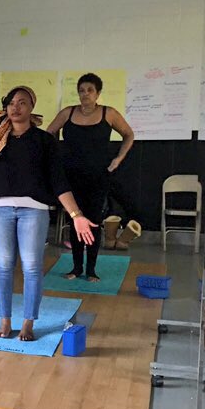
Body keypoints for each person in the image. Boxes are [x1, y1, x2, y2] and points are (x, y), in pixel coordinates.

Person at [0, 86, 95, 341]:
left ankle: (28, 323)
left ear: (31, 107)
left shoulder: (44, 141)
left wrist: (76, 214)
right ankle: (4, 321)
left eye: (22, 102)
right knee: (2, 265)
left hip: (33, 210)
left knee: (32, 266)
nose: (16, 107)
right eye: (12, 102)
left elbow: (59, 182)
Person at [45, 73, 135, 280]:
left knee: (93, 221)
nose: (85, 94)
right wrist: (56, 156)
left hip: (98, 177)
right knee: (75, 219)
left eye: (90, 90)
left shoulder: (108, 113)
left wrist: (118, 159)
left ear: (98, 93)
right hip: (71, 176)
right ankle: (76, 268)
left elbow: (129, 134)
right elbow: (49, 134)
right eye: (82, 90)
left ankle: (91, 270)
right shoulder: (67, 113)